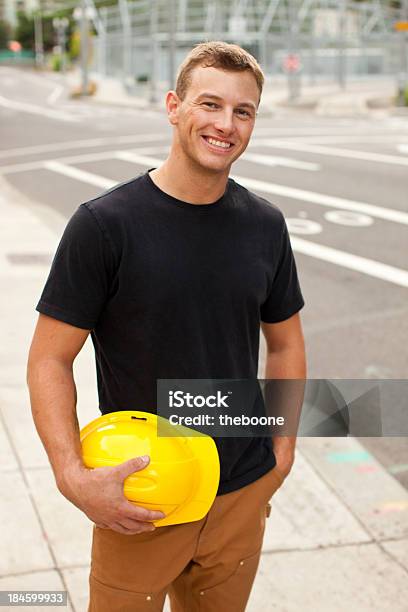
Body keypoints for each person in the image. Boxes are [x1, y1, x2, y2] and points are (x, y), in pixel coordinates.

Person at [27, 41, 306, 611]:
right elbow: (48, 359)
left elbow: (285, 344)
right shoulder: (104, 225)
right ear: (174, 106)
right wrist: (71, 476)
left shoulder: (266, 226)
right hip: (143, 498)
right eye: (210, 104)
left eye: (243, 111)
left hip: (241, 491)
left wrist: (281, 451)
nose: (225, 124)